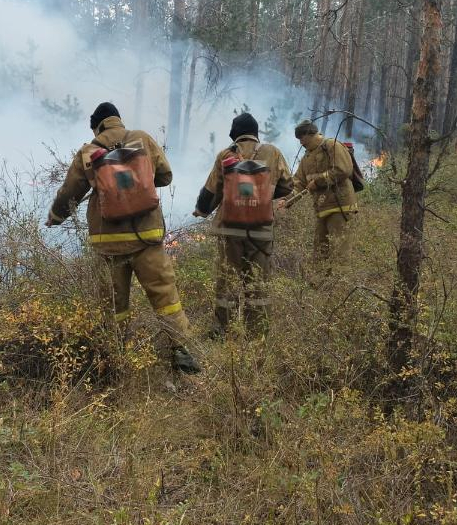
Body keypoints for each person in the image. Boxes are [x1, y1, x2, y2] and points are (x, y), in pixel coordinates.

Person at [46, 103, 200, 374]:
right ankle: (181, 350)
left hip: (109, 243)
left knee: (114, 305)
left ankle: (116, 357)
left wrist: (55, 217)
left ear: (97, 126)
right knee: (166, 297)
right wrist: (141, 184)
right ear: (118, 121)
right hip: (147, 237)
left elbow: (70, 192)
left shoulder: (88, 152)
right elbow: (165, 175)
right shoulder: (142, 138)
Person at [193, 113, 293, 337]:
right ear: (255, 133)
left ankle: (221, 331)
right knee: (258, 282)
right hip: (261, 230)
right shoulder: (273, 153)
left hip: (230, 229)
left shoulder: (226, 155)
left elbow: (212, 190)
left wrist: (201, 210)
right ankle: (257, 334)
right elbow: (288, 186)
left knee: (227, 280)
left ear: (235, 135)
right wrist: (265, 196)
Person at [279, 119, 358, 262]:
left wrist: (318, 181)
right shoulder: (306, 158)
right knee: (319, 255)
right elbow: (299, 183)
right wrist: (286, 201)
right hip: (322, 211)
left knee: (339, 255)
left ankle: (339, 284)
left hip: (340, 208)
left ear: (310, 134)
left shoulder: (331, 145)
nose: (301, 143)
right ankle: (321, 284)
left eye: (302, 138)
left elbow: (343, 169)